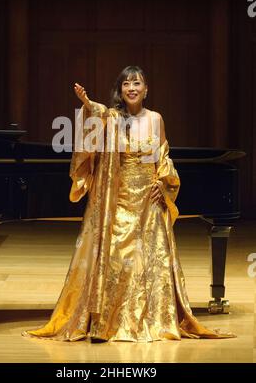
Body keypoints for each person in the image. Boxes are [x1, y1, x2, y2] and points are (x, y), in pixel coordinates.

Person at [22, 65, 235, 342]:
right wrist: (87, 106)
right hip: (119, 198)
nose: (132, 88)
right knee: (118, 259)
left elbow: (163, 155)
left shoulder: (156, 119)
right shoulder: (112, 118)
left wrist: (163, 183)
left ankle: (152, 318)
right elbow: (97, 118)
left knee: (150, 261)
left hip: (149, 197)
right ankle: (106, 322)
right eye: (126, 84)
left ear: (146, 90)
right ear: (120, 91)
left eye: (137, 83)